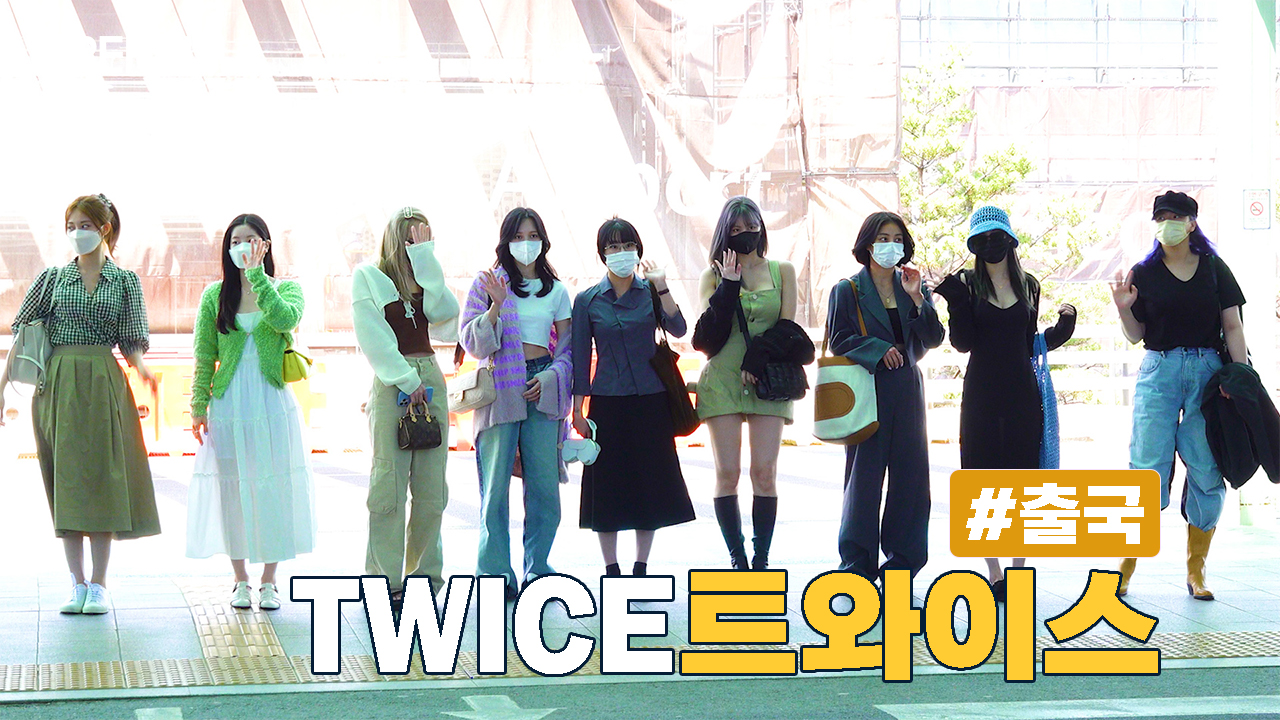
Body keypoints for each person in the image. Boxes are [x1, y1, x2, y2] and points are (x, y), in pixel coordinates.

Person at [0, 194, 160, 615]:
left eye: (84, 225)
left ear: (104, 229)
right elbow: (23, 335)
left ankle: (100, 584)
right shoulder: (52, 278)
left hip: (104, 380)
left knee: (105, 478)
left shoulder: (125, 282)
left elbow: (131, 340)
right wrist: (1, 387)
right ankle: (76, 583)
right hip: (58, 383)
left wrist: (142, 369)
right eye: (71, 226)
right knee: (67, 480)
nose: (76, 233)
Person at [933, 206, 1076, 602]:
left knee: (1024, 478)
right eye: (982, 239)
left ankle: (1018, 568)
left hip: (1022, 392)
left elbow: (1028, 343)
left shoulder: (1029, 284)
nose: (991, 245)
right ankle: (993, 571)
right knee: (981, 478)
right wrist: (957, 303)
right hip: (981, 392)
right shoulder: (966, 283)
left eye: (997, 237)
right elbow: (962, 343)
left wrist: (1063, 330)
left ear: (1010, 240)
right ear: (973, 245)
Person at [1110, 191, 1248, 601]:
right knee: (1146, 468)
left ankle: (1196, 568)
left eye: (1175, 216)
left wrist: (1240, 377)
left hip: (1208, 372)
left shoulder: (1214, 269)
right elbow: (1136, 335)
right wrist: (1123, 308)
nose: (1166, 223)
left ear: (1191, 223)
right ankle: (1126, 565)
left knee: (1207, 467)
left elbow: (1233, 326)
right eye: (1160, 217)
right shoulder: (1144, 272)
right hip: (1160, 369)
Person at [187, 213, 316, 610]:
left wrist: (257, 277)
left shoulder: (286, 289)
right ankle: (240, 578)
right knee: (233, 492)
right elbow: (204, 355)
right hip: (228, 404)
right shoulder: (214, 296)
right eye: (235, 241)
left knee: (271, 489)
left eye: (250, 240)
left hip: (270, 402)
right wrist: (198, 404)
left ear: (265, 245)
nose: (242, 247)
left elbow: (285, 319)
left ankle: (269, 580)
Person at [571, 218, 696, 577]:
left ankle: (641, 566)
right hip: (607, 401)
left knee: (649, 483)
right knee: (606, 485)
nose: (621, 253)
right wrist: (577, 410)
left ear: (638, 251)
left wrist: (663, 286)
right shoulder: (587, 300)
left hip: (651, 399)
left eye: (628, 246)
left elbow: (679, 328)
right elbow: (581, 357)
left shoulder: (651, 293)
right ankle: (611, 567)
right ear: (602, 254)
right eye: (613, 247)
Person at [460, 207, 573, 599]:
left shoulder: (557, 291)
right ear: (506, 241)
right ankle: (495, 573)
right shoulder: (488, 283)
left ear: (543, 241)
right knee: (494, 490)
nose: (526, 244)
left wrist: (551, 377)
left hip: (543, 387)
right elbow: (471, 343)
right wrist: (495, 306)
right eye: (519, 236)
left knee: (544, 489)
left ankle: (537, 568)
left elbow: (568, 349)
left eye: (533, 236)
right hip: (500, 391)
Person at [826, 212, 944, 585]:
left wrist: (918, 298)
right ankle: (857, 563)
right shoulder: (848, 289)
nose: (890, 246)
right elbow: (838, 339)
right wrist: (877, 349)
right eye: (882, 238)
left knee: (911, 478)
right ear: (867, 244)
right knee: (864, 477)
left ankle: (903, 562)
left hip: (907, 388)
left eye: (896, 239)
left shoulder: (913, 287)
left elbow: (933, 338)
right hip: (867, 387)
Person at [351, 207, 459, 610]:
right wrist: (406, 379)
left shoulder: (426, 280)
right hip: (392, 384)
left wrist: (426, 262)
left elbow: (447, 318)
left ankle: (425, 579)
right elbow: (372, 335)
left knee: (432, 491)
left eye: (424, 237)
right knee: (389, 487)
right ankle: (383, 581)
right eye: (412, 237)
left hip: (430, 378)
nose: (417, 243)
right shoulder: (369, 276)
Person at [692, 196, 799, 570]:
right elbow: (708, 337)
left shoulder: (782, 270)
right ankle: (736, 556)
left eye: (751, 227)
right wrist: (729, 283)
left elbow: (788, 327)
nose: (745, 235)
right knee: (727, 473)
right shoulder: (711, 276)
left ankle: (761, 556)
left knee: (764, 473)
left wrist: (758, 359)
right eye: (736, 229)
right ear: (725, 233)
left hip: (768, 379)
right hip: (722, 380)